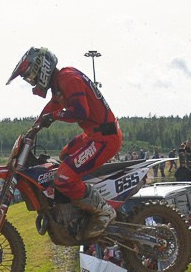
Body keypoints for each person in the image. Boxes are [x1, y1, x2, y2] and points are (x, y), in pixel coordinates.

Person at [6, 46, 121, 236]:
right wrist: (33, 129)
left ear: (41, 68)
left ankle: (103, 211)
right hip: (94, 134)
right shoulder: (60, 84)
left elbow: (80, 111)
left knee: (64, 177)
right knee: (64, 156)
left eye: (30, 76)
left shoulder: (68, 79)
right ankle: (79, 209)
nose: (31, 81)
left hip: (105, 137)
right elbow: (49, 108)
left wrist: (53, 116)